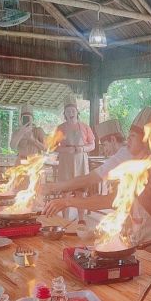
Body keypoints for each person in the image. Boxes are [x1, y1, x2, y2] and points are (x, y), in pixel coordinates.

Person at [43, 107, 151, 257]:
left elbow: (111, 200)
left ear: (146, 141)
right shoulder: (136, 163)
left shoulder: (145, 168)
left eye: (132, 136)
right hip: (143, 238)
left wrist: (68, 201)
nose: (128, 139)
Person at [54, 95, 95, 224]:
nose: (71, 113)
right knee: (65, 193)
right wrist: (66, 150)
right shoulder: (60, 128)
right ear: (64, 114)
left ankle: (81, 219)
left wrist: (82, 149)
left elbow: (92, 145)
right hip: (65, 163)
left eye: (73, 110)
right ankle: (65, 220)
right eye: (68, 111)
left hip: (81, 162)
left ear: (77, 112)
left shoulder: (85, 127)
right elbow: (53, 147)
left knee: (80, 193)